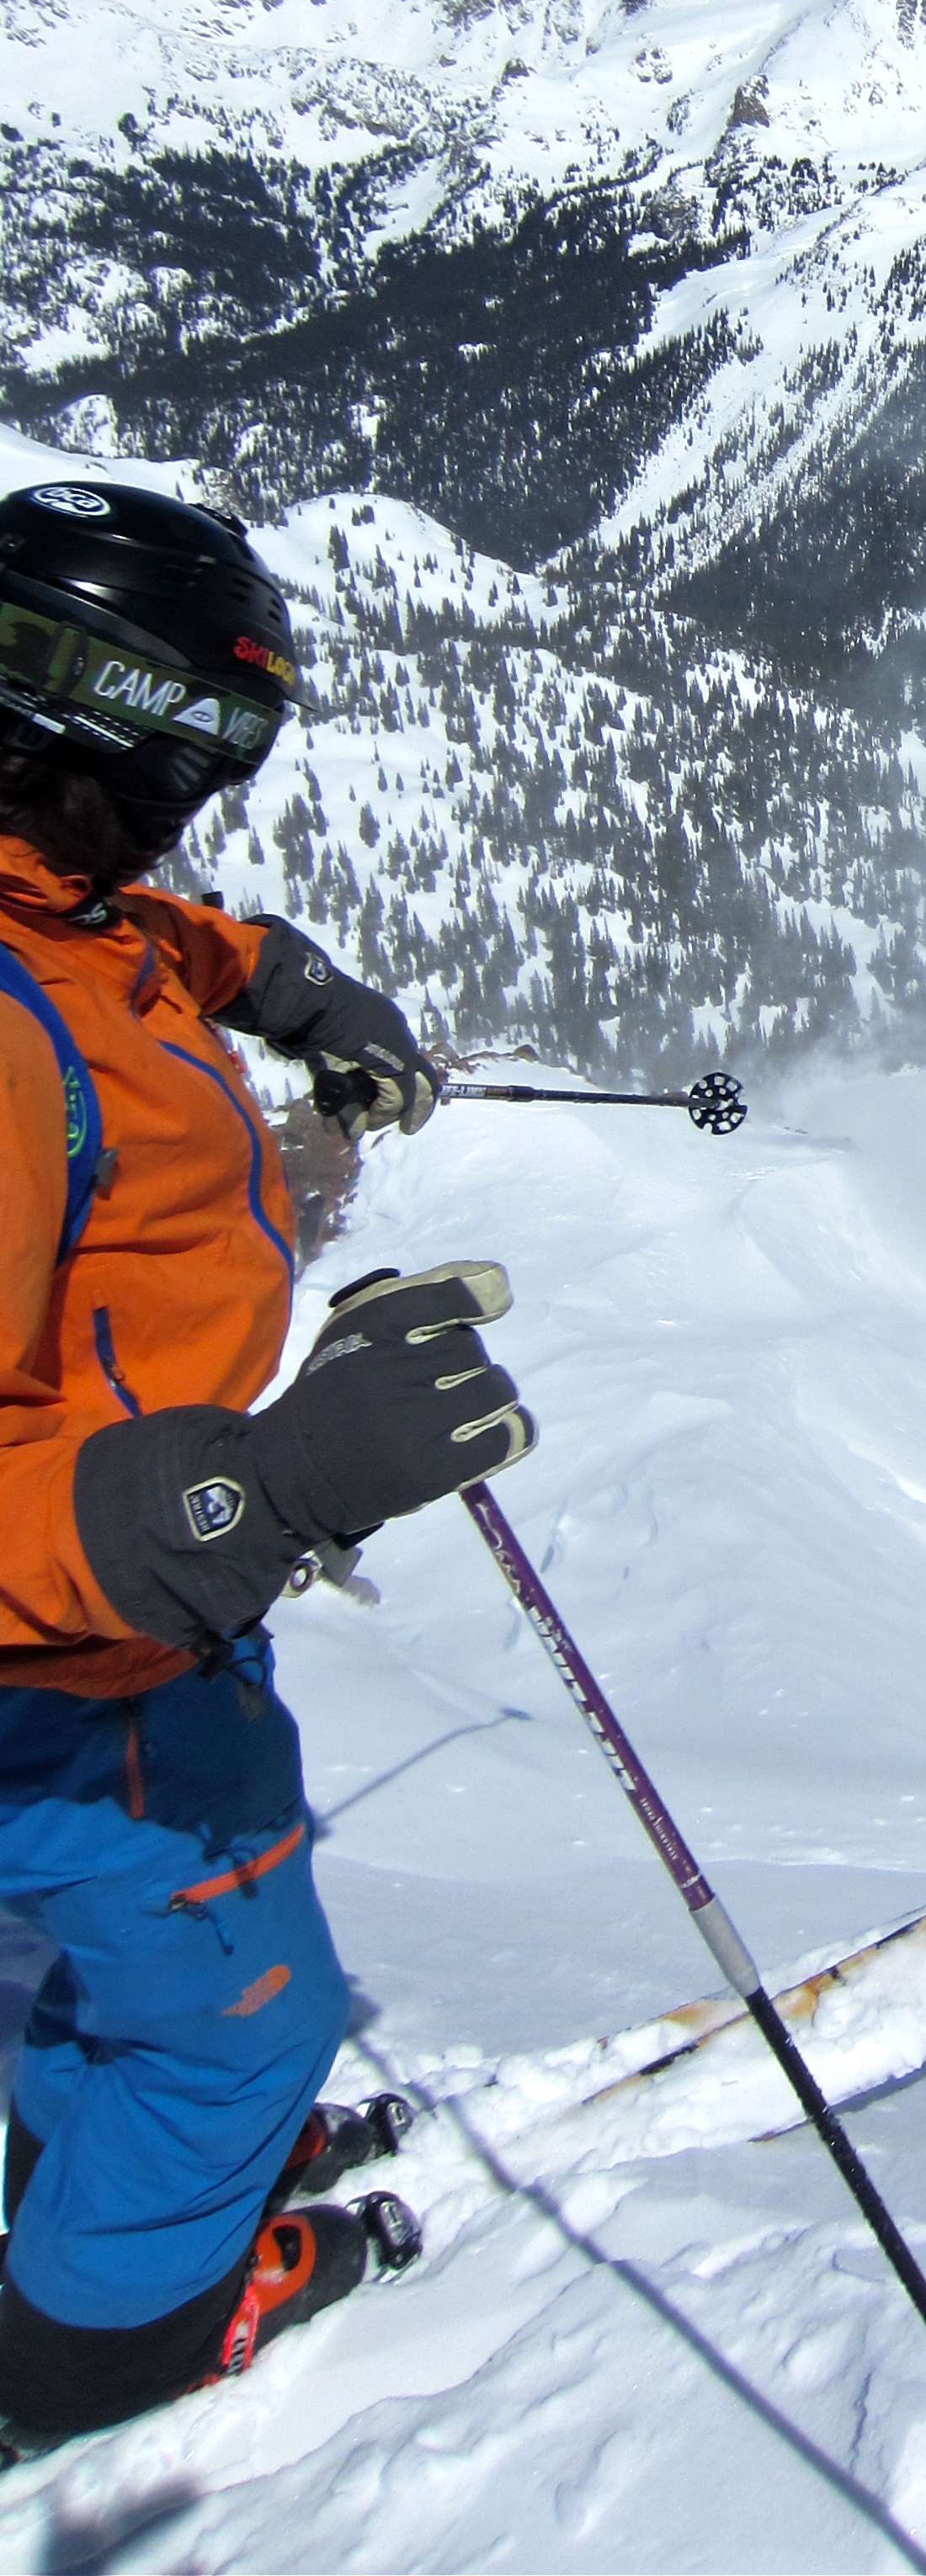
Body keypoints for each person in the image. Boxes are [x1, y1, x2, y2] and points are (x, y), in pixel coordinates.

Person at [0, 478, 533, 2446]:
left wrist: (288, 989)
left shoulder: (60, 904)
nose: (199, 792)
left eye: (241, 741)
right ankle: (97, 2343)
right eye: (188, 739)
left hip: (135, 1621)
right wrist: (265, 1490)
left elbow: (151, 939)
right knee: (248, 2023)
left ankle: (126, 2130)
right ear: (63, 702)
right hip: (74, 1661)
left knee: (143, 1983)